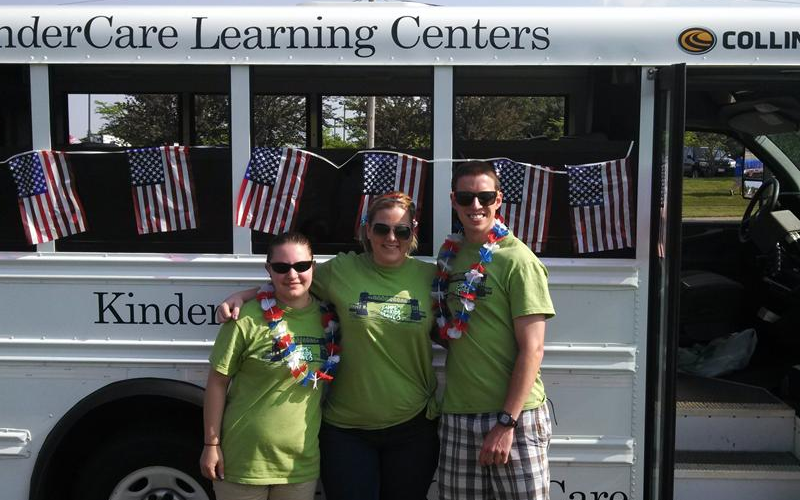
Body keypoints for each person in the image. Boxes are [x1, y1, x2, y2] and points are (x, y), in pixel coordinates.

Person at [216, 192, 439, 500]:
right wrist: (244, 295)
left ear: (412, 232)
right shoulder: (342, 270)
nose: (391, 238)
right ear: (367, 230)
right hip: (347, 430)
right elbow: (293, 278)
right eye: (381, 229)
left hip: (412, 426)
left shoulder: (430, 278)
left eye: (401, 231)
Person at [436, 161, 555, 500]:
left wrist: (506, 424)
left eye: (485, 197)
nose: (476, 206)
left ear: (498, 199)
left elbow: (532, 349)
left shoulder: (518, 260)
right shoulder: (450, 257)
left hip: (514, 419)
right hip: (459, 415)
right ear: (453, 200)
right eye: (466, 197)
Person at [200, 231, 337, 500]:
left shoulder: (329, 321)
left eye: (301, 266)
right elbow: (217, 383)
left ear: (313, 267)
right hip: (243, 462)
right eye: (281, 267)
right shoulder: (245, 318)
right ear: (269, 270)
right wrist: (211, 444)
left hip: (299, 466)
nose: (292, 274)